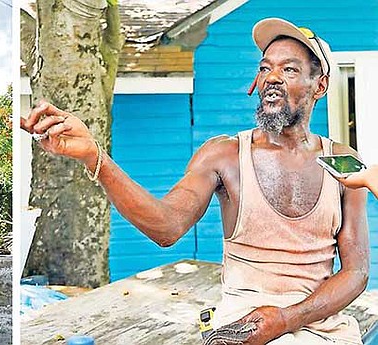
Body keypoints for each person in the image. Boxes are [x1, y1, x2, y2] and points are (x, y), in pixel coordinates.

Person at [21, 18, 368, 345]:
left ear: (319, 85)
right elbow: (166, 226)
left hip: (322, 328)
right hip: (242, 326)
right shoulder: (224, 155)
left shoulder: (342, 162)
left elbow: (356, 272)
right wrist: (94, 156)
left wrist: (285, 320)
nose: (272, 77)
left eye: (289, 69)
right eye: (265, 68)